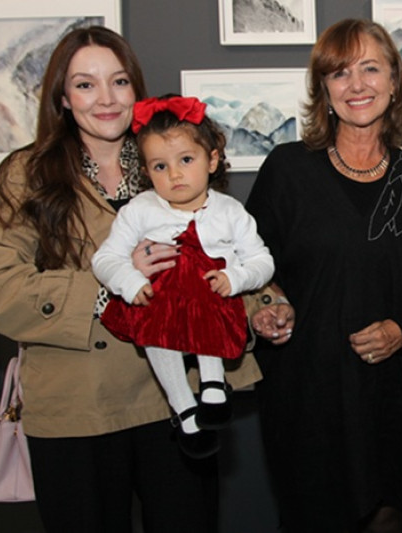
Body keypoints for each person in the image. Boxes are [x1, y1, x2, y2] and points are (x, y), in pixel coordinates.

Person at [0, 27, 261, 532]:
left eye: (119, 81)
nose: (105, 98)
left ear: (136, 90)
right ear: (62, 97)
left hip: (176, 403)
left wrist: (264, 307)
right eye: (85, 85)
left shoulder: (171, 158)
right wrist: (108, 290)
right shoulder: (28, 174)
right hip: (79, 409)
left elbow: (221, 253)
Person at [244, 18, 402, 533]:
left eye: (371, 68)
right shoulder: (288, 170)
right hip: (309, 392)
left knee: (393, 513)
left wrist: (401, 331)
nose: (357, 85)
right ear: (323, 89)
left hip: (400, 392)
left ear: (394, 82)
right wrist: (267, 307)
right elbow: (251, 264)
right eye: (340, 73)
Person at [92, 95, 274, 459]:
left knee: (204, 289)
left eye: (186, 160)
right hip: (158, 305)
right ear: (145, 171)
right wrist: (129, 282)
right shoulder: (139, 210)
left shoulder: (229, 212)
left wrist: (235, 277)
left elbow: (262, 261)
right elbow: (105, 258)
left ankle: (211, 383)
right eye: (160, 166)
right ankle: (183, 407)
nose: (174, 174)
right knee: (156, 333)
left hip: (207, 303)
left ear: (212, 160)